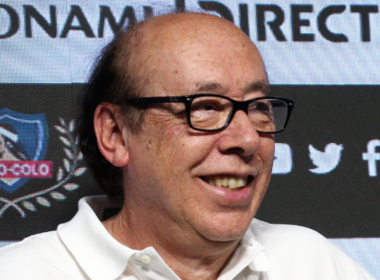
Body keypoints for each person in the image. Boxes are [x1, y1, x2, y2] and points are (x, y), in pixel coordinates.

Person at [0, 12, 374, 280]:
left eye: (259, 107)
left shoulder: (315, 263)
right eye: (205, 108)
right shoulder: (22, 272)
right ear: (115, 134)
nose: (247, 139)